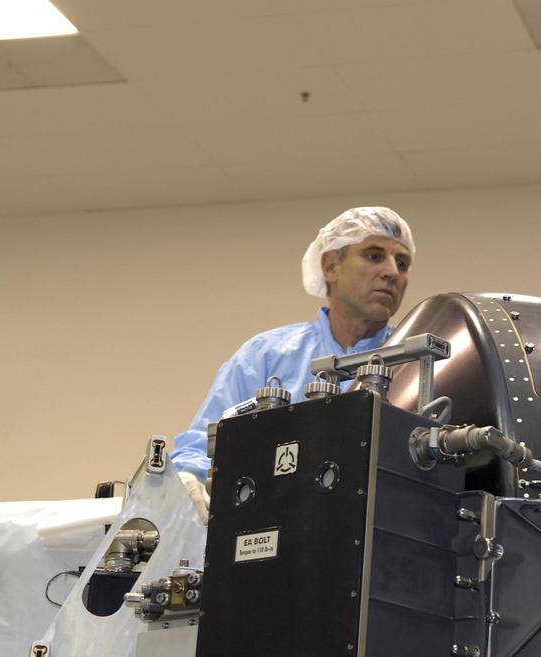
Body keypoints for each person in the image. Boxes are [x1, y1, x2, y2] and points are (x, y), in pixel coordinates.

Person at [173, 206, 415, 519]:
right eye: (373, 255)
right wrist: (187, 480)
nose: (392, 272)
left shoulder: (416, 363)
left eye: (402, 262)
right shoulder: (266, 357)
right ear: (330, 266)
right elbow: (201, 447)